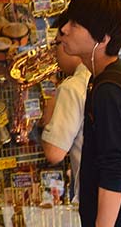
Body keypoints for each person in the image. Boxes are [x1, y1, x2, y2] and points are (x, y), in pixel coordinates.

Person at [56, 0, 121, 227]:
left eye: (75, 24)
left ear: (103, 39)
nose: (64, 29)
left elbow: (115, 167)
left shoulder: (108, 90)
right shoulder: (110, 79)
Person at [41, 30, 91, 197]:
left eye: (56, 44)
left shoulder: (72, 88)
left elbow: (54, 153)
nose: (54, 52)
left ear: (69, 44)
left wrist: (50, 107)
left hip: (94, 198)